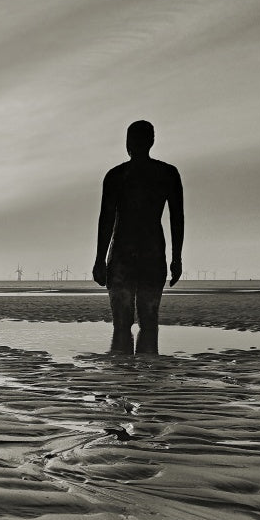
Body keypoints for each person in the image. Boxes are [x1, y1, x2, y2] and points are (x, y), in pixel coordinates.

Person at [92, 120, 184, 354]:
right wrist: (176, 258)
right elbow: (177, 220)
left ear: (129, 143)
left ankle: (126, 379)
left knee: (122, 324)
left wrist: (99, 260)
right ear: (151, 141)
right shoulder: (167, 174)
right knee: (149, 321)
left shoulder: (116, 176)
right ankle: (144, 381)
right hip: (151, 253)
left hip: (123, 254)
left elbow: (106, 220)